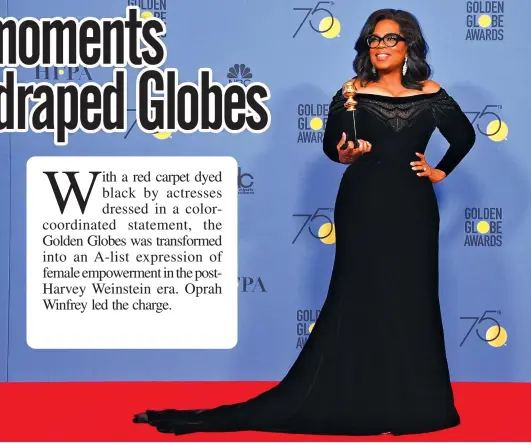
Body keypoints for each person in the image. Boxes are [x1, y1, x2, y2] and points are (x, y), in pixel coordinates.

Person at [133, 8, 476, 436]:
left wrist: (440, 170)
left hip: (413, 207)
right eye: (374, 39)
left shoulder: (430, 92)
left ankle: (414, 404)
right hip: (364, 204)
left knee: (411, 298)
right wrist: (346, 153)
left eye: (390, 38)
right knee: (361, 296)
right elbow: (333, 146)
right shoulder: (351, 91)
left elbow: (464, 135)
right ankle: (358, 399)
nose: (381, 46)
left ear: (409, 45)